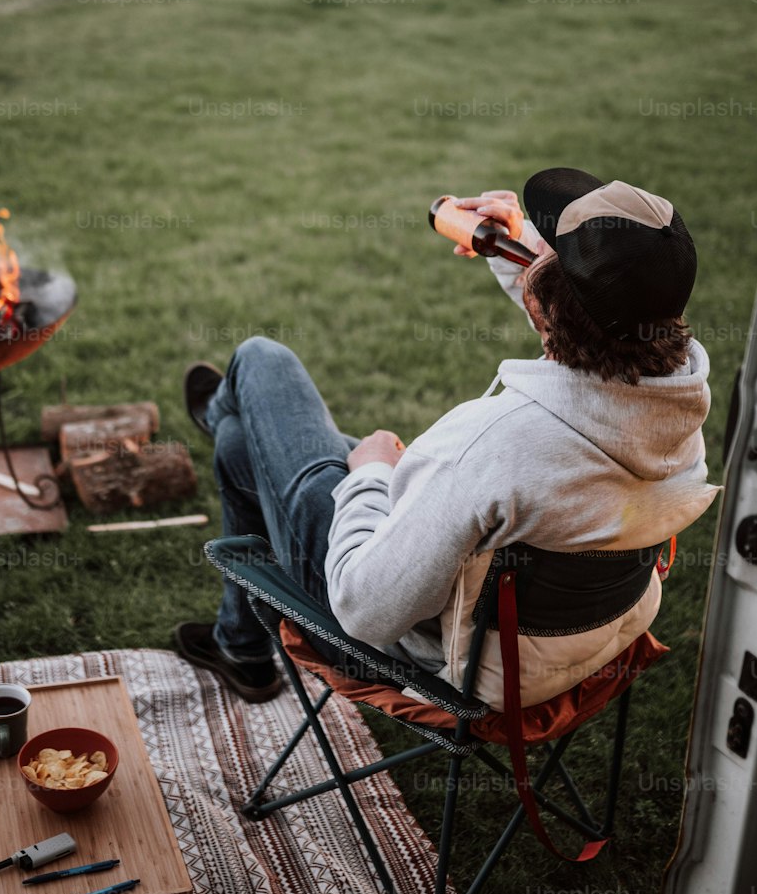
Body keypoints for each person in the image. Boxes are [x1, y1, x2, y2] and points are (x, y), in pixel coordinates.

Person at [173, 167, 720, 708]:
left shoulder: (486, 448)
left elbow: (363, 611)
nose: (541, 248)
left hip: (422, 657)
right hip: (575, 645)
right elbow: (595, 337)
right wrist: (518, 247)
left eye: (550, 251)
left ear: (543, 308)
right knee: (241, 449)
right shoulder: (675, 399)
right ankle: (240, 646)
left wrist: (369, 472)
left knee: (261, 364)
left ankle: (228, 411)